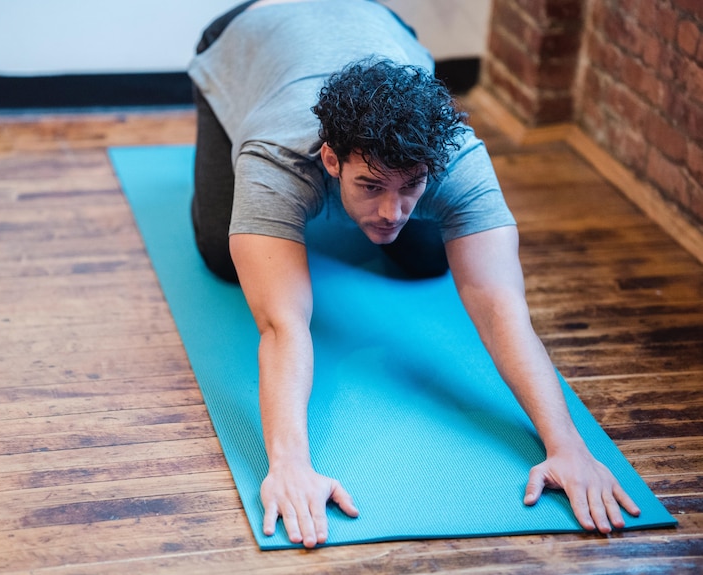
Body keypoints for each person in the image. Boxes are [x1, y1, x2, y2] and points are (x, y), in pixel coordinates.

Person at [188, 0, 641, 549]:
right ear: (331, 160)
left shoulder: (457, 159)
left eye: (411, 188)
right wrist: (290, 466)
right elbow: (284, 326)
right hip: (248, 34)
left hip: (375, 20)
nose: (390, 210)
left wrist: (567, 445)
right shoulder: (276, 159)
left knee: (426, 258)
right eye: (370, 187)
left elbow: (501, 307)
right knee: (221, 253)